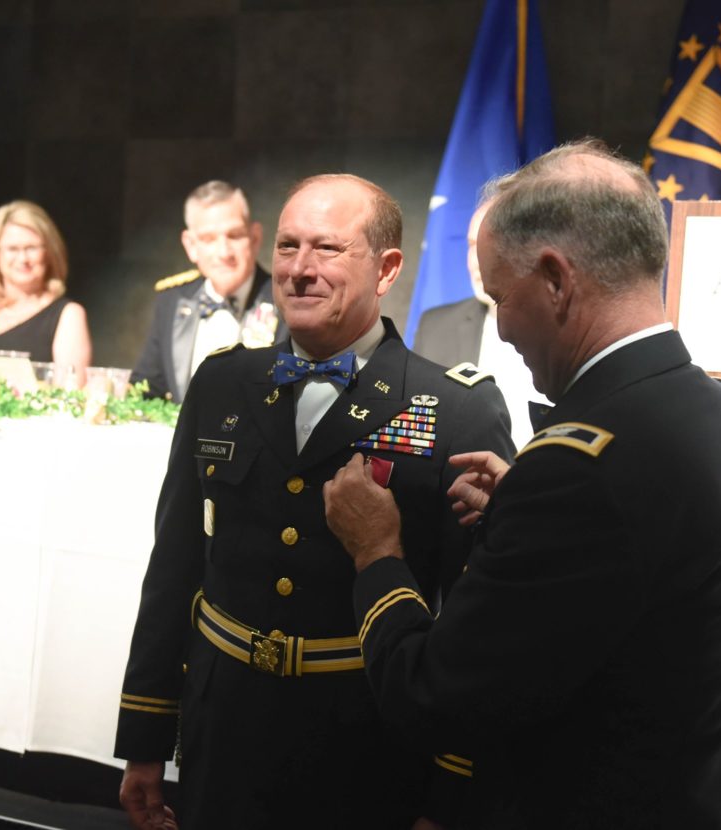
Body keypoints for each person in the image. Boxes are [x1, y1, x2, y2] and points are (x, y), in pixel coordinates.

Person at [323, 140, 721, 829]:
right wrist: (525, 510)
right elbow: (643, 603)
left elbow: (437, 700)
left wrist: (377, 552)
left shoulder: (580, 470)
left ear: (555, 279)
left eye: (498, 297)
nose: (502, 326)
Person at [115, 172, 515, 828]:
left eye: (327, 249)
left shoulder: (454, 407)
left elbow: (476, 621)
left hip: (366, 743)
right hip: (226, 733)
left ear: (387, 270)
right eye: (289, 246)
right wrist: (144, 742)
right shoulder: (222, 383)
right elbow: (175, 571)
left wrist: (452, 793)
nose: (299, 270)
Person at [130, 180, 282, 402]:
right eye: (208, 239)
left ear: (255, 238)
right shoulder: (173, 300)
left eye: (234, 235)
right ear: (191, 246)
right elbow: (146, 388)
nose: (223, 252)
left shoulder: (285, 301)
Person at [414, 200, 547, 449]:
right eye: (471, 245)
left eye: (488, 247)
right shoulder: (435, 327)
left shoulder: (566, 330)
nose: (476, 261)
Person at [0, 200, 91, 383]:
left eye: (31, 248)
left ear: (49, 253)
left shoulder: (69, 315)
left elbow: (71, 395)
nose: (23, 258)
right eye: (12, 249)